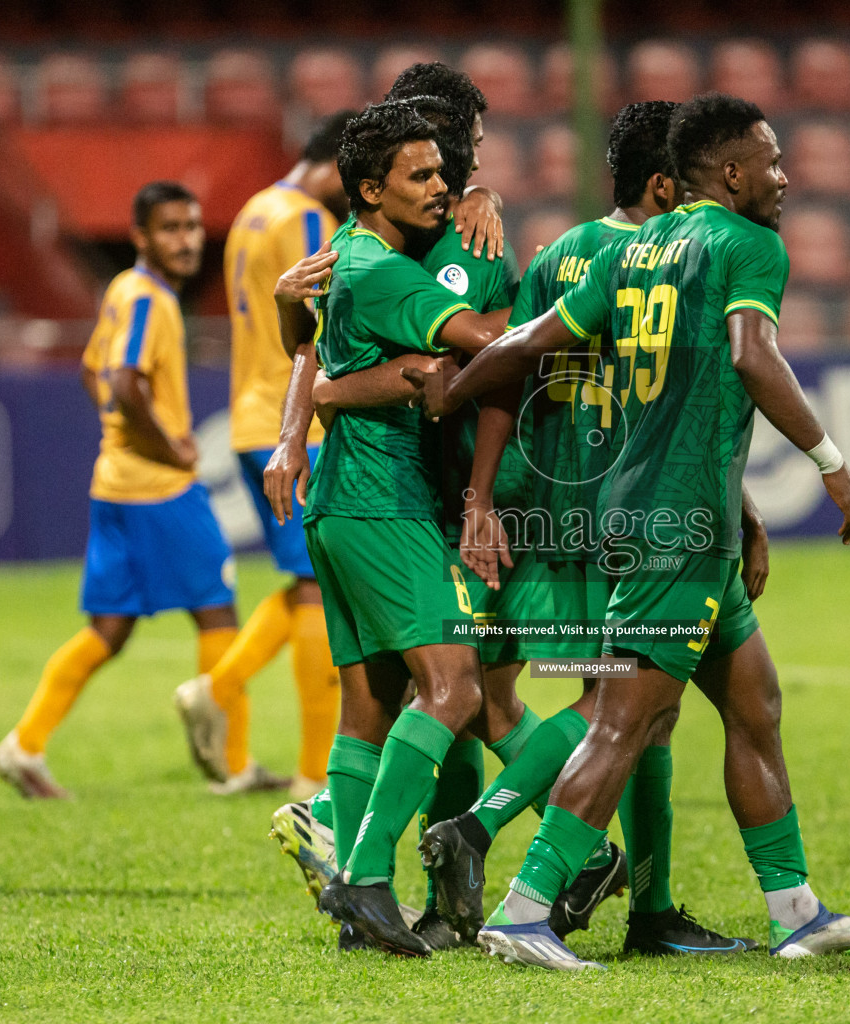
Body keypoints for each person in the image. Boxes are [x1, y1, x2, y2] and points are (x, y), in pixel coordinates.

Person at [405, 94, 850, 968]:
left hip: (654, 516)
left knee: (756, 707)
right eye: (773, 161)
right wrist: (831, 460)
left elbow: (529, 340)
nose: (785, 178)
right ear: (734, 171)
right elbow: (753, 354)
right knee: (620, 724)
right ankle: (523, 913)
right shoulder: (748, 245)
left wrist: (458, 385)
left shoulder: (634, 250)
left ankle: (797, 913)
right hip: (676, 531)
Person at [419, 100, 757, 957]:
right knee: (623, 702)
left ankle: (654, 907)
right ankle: (488, 828)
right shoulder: (668, 258)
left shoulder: (562, 252)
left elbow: (511, 374)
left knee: (643, 709)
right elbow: (681, 401)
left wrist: (484, 496)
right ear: (666, 180)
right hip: (638, 513)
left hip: (558, 507)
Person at [299, 101, 516, 957]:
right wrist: (582, 312)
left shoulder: (352, 259)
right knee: (457, 688)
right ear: (368, 188)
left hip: (345, 504)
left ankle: (363, 910)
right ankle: (364, 877)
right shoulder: (385, 272)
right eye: (420, 176)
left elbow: (341, 370)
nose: (440, 188)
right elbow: (483, 340)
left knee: (370, 704)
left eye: (444, 173)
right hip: (384, 502)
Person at [0, 182, 239, 799]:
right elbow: (125, 382)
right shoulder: (150, 300)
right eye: (170, 229)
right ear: (140, 236)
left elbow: (90, 372)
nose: (186, 241)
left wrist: (121, 438)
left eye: (192, 227)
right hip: (161, 490)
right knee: (219, 611)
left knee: (109, 631)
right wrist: (169, 447)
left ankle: (23, 746)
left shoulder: (121, 292)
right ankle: (230, 765)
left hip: (114, 485)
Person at [173, 112, 353, 799]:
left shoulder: (253, 209)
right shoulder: (307, 219)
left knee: (303, 579)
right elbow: (317, 320)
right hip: (292, 421)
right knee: (317, 587)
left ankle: (219, 690)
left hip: (251, 414)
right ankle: (312, 774)